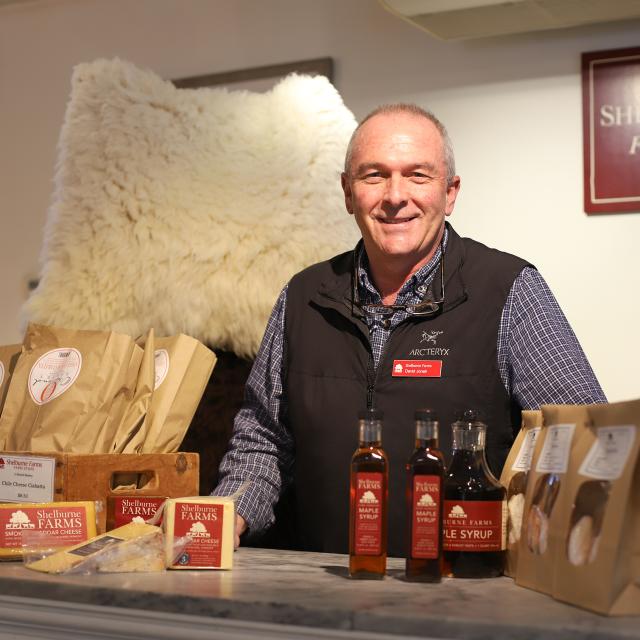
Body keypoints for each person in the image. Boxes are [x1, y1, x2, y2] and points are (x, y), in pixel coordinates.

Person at [215, 104, 606, 556]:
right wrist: (229, 515)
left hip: (465, 593)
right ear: (347, 192)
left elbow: (578, 440)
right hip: (321, 588)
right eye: (374, 175)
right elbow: (263, 439)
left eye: (417, 175)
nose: (395, 195)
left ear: (450, 191)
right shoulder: (303, 298)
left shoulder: (508, 291)